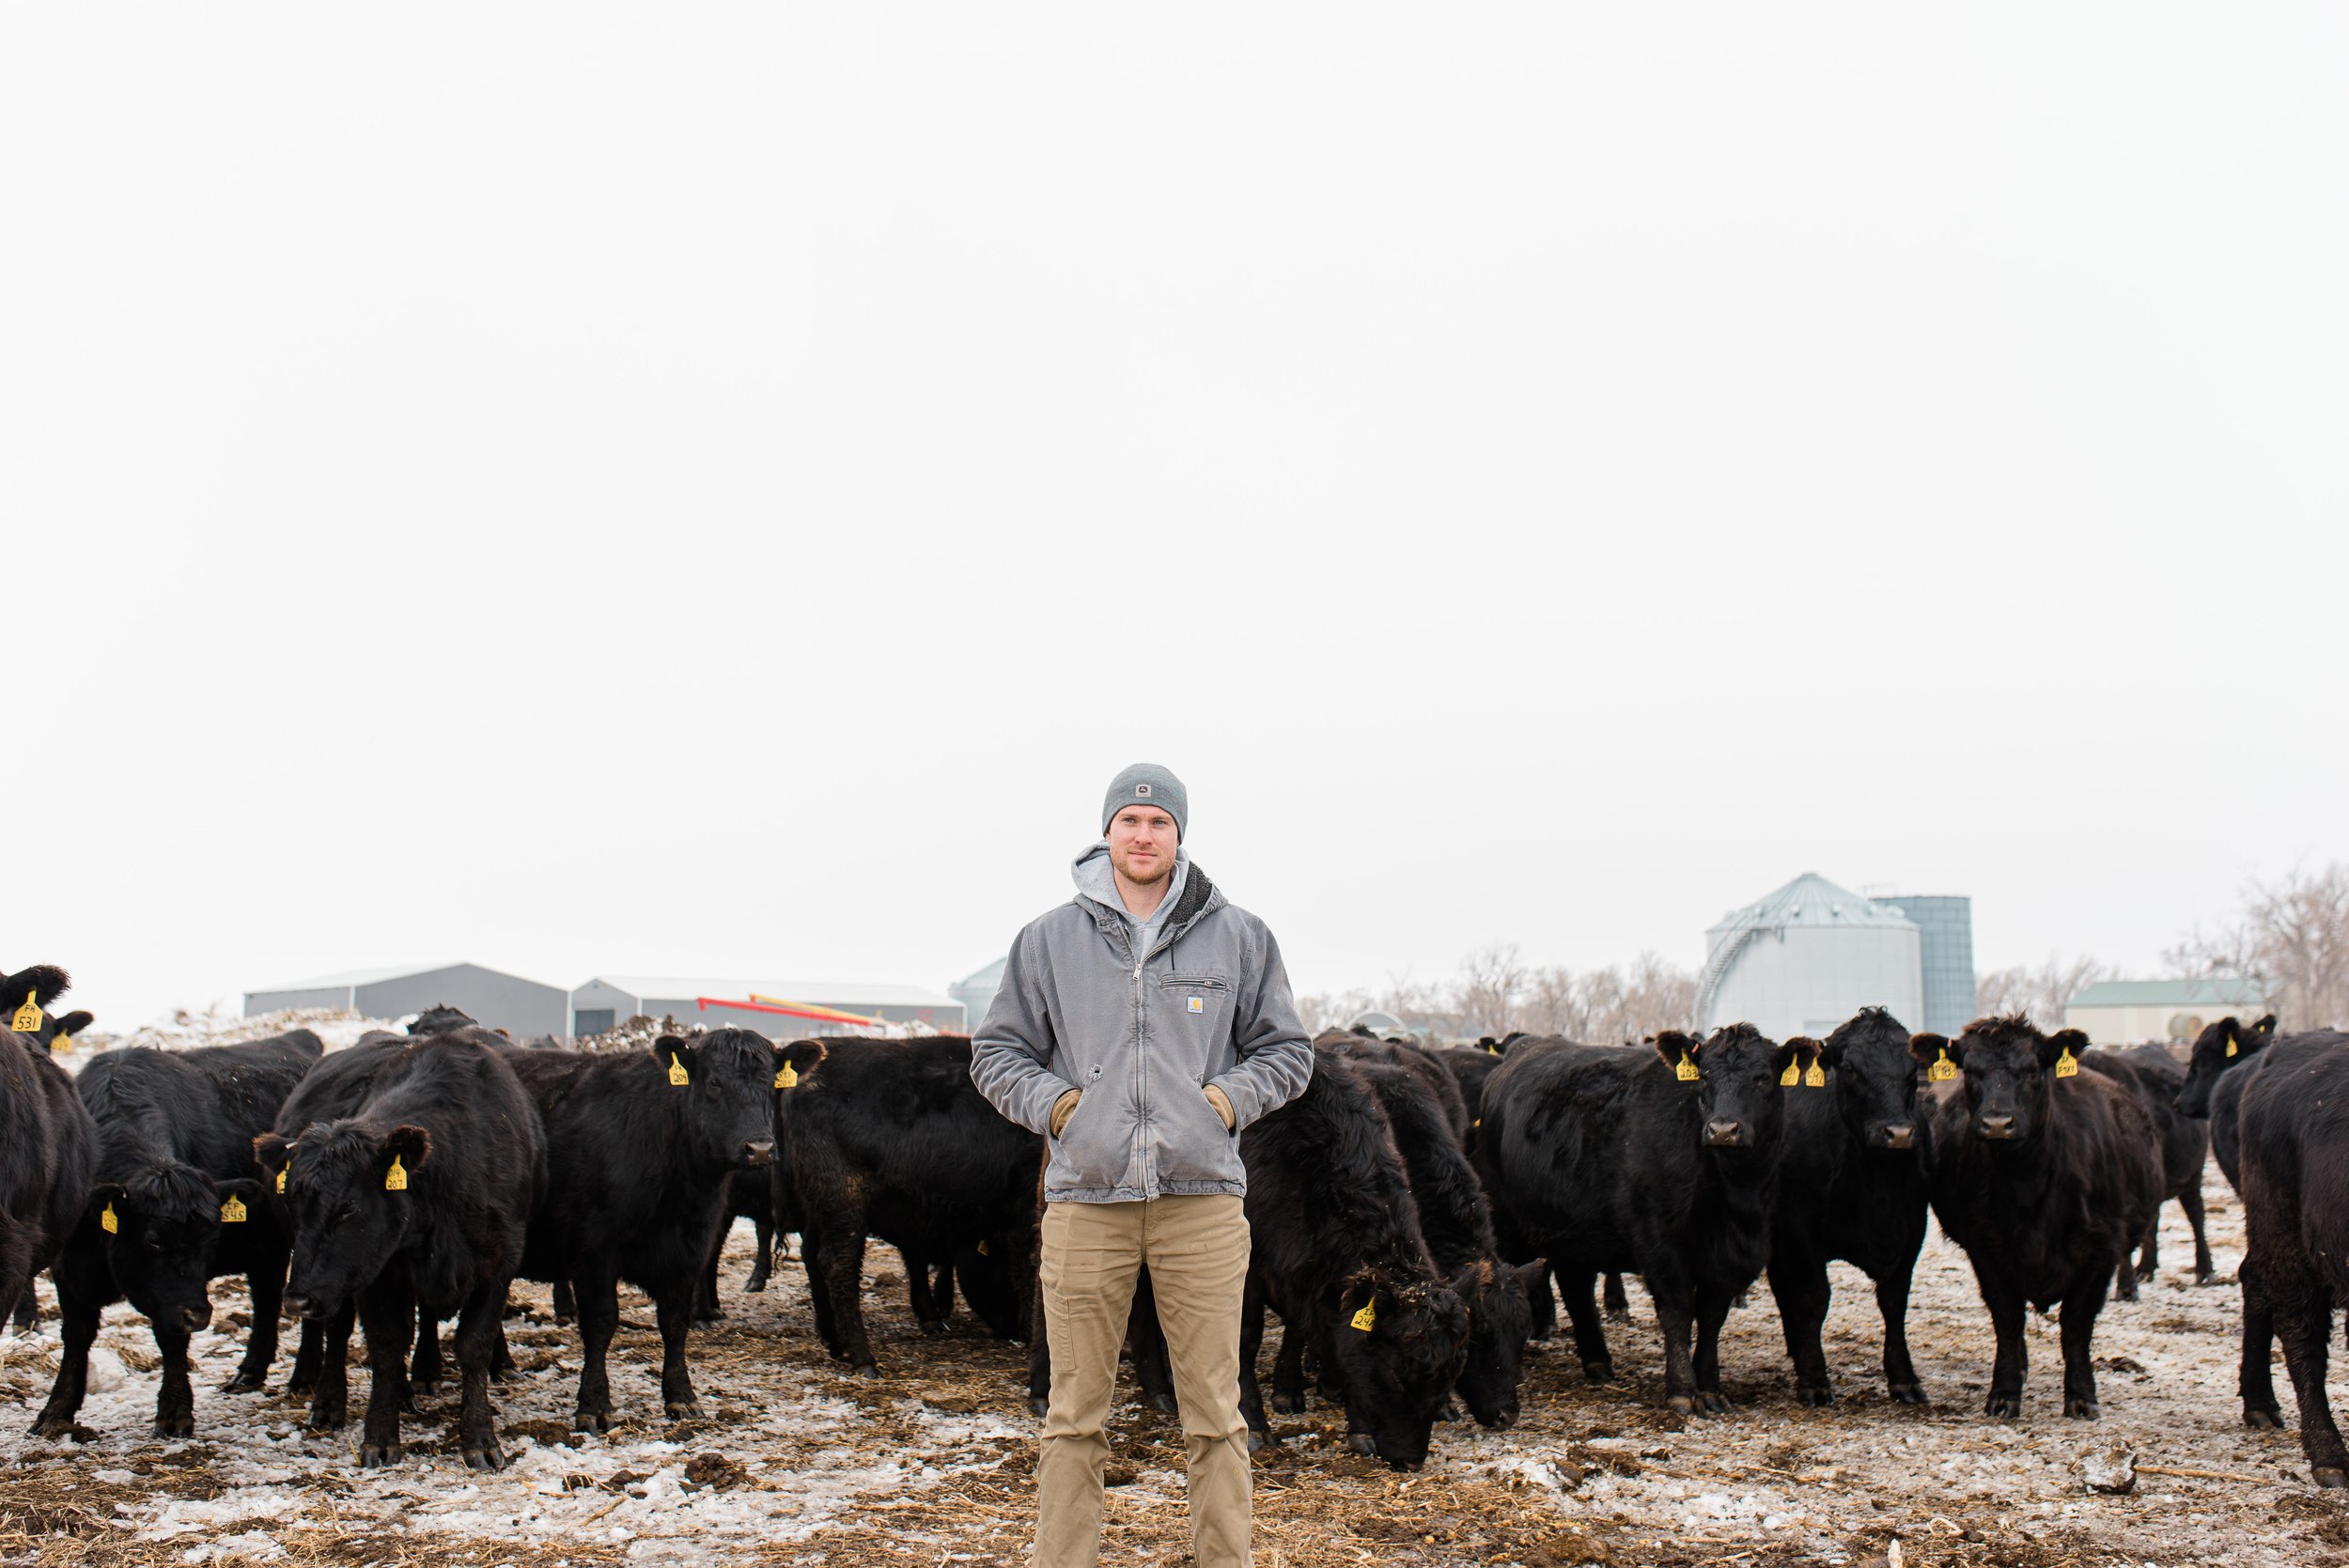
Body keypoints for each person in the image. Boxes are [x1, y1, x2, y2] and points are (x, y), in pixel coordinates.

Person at [972, 764, 1314, 1568]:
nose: (1143, 834)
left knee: (1216, 1415)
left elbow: (1288, 1050)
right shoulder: (1050, 938)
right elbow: (996, 1052)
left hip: (1201, 1203)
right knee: (1073, 1415)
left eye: (1159, 821)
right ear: (1108, 832)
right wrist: (1060, 1109)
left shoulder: (1239, 935)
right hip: (1088, 1201)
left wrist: (1224, 1102)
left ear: (1179, 834)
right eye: (1129, 819)